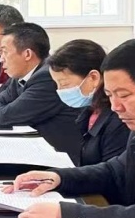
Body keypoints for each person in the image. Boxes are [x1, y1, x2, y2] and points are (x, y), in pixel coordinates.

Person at [6, 38, 135, 218]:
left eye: (124, 95)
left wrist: (69, 217)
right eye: (110, 95)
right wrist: (59, 177)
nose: (115, 107)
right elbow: (115, 170)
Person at [0, 22, 80, 157]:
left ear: (27, 54)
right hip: (35, 148)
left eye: (5, 52)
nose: (1, 59)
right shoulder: (21, 74)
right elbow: (0, 99)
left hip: (60, 156)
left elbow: (9, 116)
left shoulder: (48, 76)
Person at [46, 39, 130, 167]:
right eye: (57, 84)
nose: (60, 90)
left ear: (93, 77)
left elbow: (111, 172)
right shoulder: (90, 111)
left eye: (64, 84)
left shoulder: (118, 116)